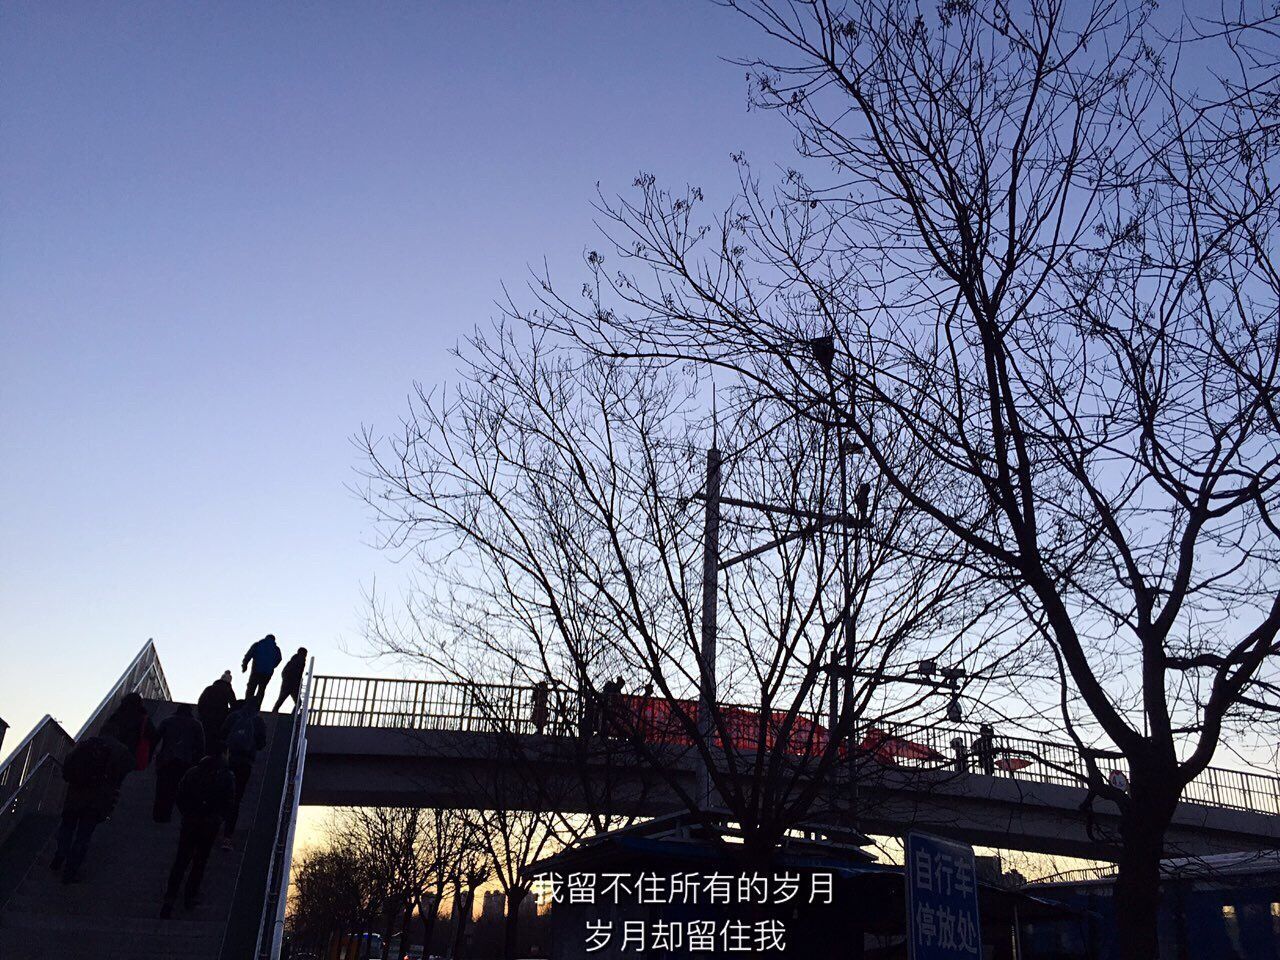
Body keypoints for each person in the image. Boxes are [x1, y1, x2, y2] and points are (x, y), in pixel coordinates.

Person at [160, 746, 236, 917]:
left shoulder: (194, 772)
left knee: (181, 860)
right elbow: (230, 802)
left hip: (190, 821)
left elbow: (180, 794)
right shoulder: (226, 776)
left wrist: (187, 813)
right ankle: (190, 896)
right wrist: (219, 818)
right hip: (209, 825)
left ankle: (169, 898)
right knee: (200, 861)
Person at [50, 734, 132, 883]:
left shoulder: (84, 746)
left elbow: (67, 768)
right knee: (83, 836)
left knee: (67, 827)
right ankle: (71, 870)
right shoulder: (119, 752)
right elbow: (119, 777)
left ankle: (60, 853)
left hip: (74, 797)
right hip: (95, 802)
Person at [220, 697, 267, 848]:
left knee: (220, 791)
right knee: (236, 797)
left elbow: (222, 734)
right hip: (245, 762)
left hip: (229, 759)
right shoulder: (258, 721)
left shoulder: (234, 716)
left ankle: (210, 825)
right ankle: (227, 836)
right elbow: (261, 744)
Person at [151, 704, 206, 822]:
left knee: (162, 788)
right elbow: (201, 746)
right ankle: (175, 814)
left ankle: (159, 815)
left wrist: (152, 756)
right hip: (185, 761)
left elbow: (155, 739)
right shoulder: (196, 724)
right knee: (179, 788)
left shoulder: (167, 721)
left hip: (166, 760)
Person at [105, 692, 157, 771]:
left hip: (112, 751)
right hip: (130, 754)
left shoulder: (117, 715)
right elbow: (153, 736)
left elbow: (106, 730)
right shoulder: (143, 718)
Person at [197, 671, 237, 755]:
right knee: (216, 742)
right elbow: (234, 704)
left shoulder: (209, 688)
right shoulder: (228, 689)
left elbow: (201, 701)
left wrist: (201, 714)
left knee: (206, 739)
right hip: (220, 719)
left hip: (206, 718)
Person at [242, 633, 283, 706]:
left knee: (251, 688)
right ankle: (257, 707)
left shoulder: (258, 644)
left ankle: (246, 705)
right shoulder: (276, 649)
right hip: (267, 673)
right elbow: (279, 659)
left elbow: (249, 655)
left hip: (256, 670)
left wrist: (244, 665)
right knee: (261, 690)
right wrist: (272, 666)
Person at [271, 647, 308, 713]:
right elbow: (285, 672)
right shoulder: (295, 661)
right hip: (289, 684)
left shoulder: (300, 662)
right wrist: (288, 680)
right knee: (282, 699)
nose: (305, 655)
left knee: (297, 702)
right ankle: (275, 712)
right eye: (304, 654)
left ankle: (292, 715)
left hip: (293, 684)